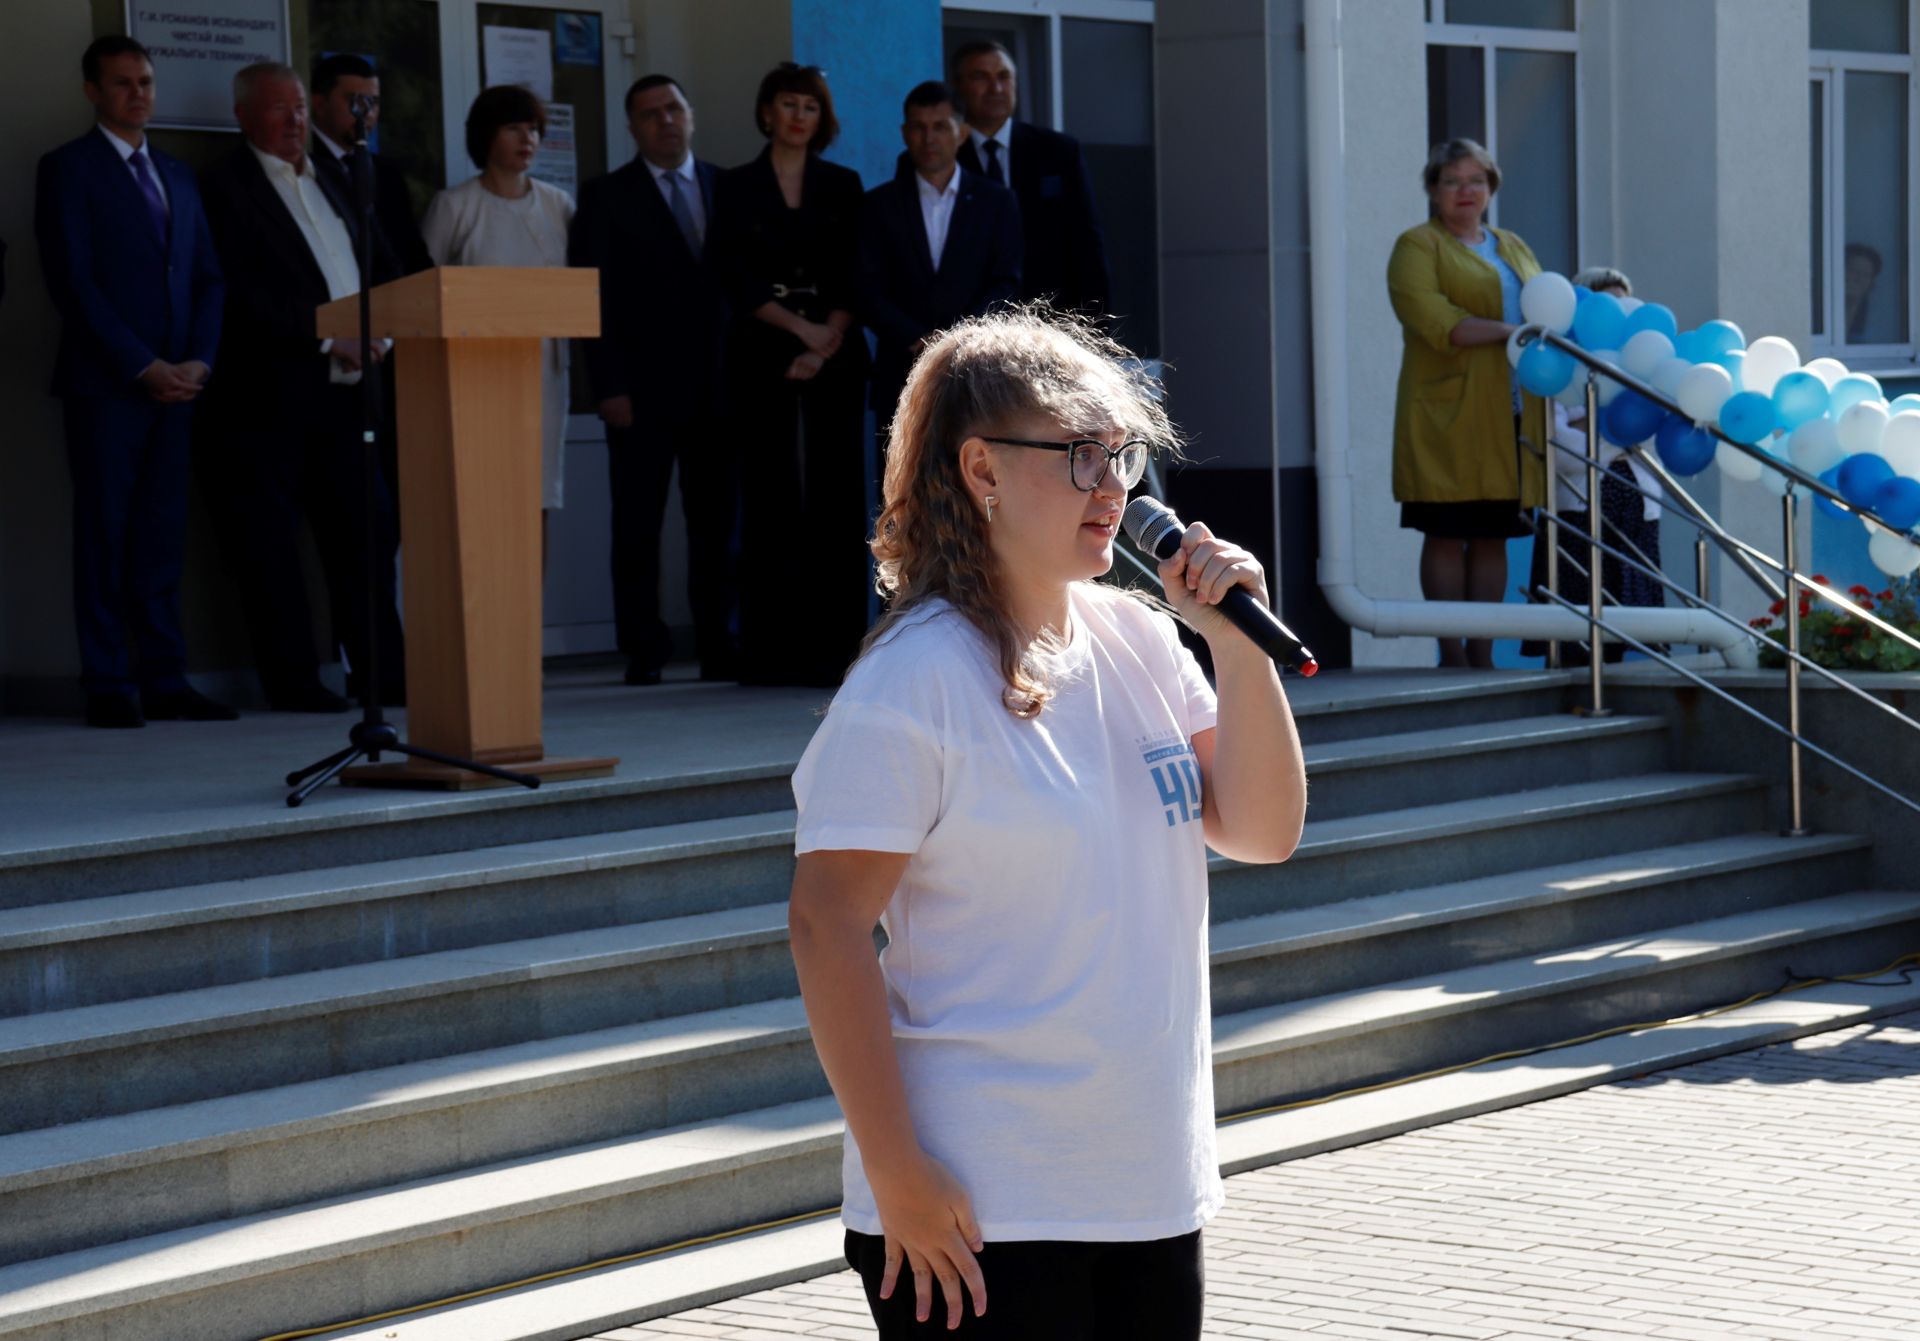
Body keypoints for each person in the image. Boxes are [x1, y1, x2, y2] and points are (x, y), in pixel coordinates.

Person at [789, 309, 1306, 1339]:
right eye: (1079, 456)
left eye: (1124, 455)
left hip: (1146, 1190)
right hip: (983, 1212)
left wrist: (1234, 647)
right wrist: (897, 1176)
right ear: (981, 469)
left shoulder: (1142, 641)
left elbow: (1260, 832)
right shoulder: (915, 679)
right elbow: (827, 927)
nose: (1116, 487)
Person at [35, 35, 234, 728]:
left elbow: (209, 277)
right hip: (109, 387)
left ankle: (164, 676)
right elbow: (74, 282)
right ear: (93, 91)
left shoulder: (179, 175)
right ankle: (109, 681)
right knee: (105, 534)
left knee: (160, 535)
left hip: (181, 386)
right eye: (122, 83)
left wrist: (198, 363)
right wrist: (142, 365)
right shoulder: (68, 169)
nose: (139, 94)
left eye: (146, 81)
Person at [196, 62, 405, 711]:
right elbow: (234, 292)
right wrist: (325, 336)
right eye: (279, 109)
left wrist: (387, 329)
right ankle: (293, 683)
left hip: (351, 393)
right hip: (270, 400)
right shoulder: (223, 187)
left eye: (300, 110)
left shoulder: (336, 179)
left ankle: (385, 679)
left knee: (368, 538)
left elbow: (375, 265)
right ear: (243, 116)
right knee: (272, 551)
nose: (294, 121)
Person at [569, 74, 737, 685]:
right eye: (649, 114)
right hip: (637, 394)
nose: (664, 121)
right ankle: (643, 648)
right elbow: (596, 298)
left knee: (716, 527)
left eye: (673, 109)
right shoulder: (606, 196)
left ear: (690, 115)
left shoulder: (727, 186)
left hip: (718, 390)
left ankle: (719, 642)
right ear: (632, 127)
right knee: (637, 525)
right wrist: (607, 385)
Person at [712, 63, 868, 688]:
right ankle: (770, 652)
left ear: (820, 117)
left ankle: (835, 652)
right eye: (787, 104)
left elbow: (859, 270)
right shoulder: (735, 185)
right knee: (770, 495)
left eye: (809, 106)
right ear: (767, 111)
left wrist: (825, 338)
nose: (798, 116)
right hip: (761, 349)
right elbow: (732, 273)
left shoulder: (844, 183)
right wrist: (800, 333)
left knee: (835, 497)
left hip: (836, 351)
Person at [1386, 137, 1548, 669]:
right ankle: (1452, 653)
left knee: (1493, 535)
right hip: (1447, 415)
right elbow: (1432, 319)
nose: (1465, 191)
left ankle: (1484, 652)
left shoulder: (1512, 246)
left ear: (1491, 188)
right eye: (1452, 180)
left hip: (1510, 411)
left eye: (1475, 180)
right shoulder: (1417, 245)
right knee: (1446, 529)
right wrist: (1513, 333)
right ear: (1433, 190)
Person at [423, 85, 575, 539]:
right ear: (487, 135)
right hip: (475, 375)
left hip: (544, 373)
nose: (527, 139)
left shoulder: (558, 205)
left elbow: (575, 292)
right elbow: (423, 295)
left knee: (537, 500)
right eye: (513, 128)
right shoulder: (454, 206)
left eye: (533, 129)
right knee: (479, 497)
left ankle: (532, 610)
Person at [858, 81, 1022, 438]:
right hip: (901, 371)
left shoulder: (997, 202)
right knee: (900, 484)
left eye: (940, 126)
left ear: (961, 133)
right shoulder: (877, 205)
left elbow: (1005, 280)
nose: (929, 138)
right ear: (905, 133)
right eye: (919, 127)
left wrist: (958, 339)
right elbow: (866, 289)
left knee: (971, 478)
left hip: (975, 370)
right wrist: (917, 338)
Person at [1524, 266, 1665, 663]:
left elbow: (1651, 437)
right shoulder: (1554, 369)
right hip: (1580, 511)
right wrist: (1613, 432)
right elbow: (1561, 453)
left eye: (1624, 304)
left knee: (1625, 626)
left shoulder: (1640, 368)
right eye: (1608, 304)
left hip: (1635, 508)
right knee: (1575, 626)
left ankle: (1611, 688)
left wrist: (1593, 425)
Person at [951, 40, 1110, 321]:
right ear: (958, 85)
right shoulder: (944, 157)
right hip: (968, 324)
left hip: (1050, 320)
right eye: (980, 77)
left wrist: (1098, 328)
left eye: (1004, 77)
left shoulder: (1058, 152)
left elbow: (1087, 244)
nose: (995, 88)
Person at [308, 53, 433, 277]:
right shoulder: (302, 166)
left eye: (373, 102)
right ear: (319, 103)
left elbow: (413, 255)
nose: (367, 113)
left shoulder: (387, 175)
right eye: (354, 101)